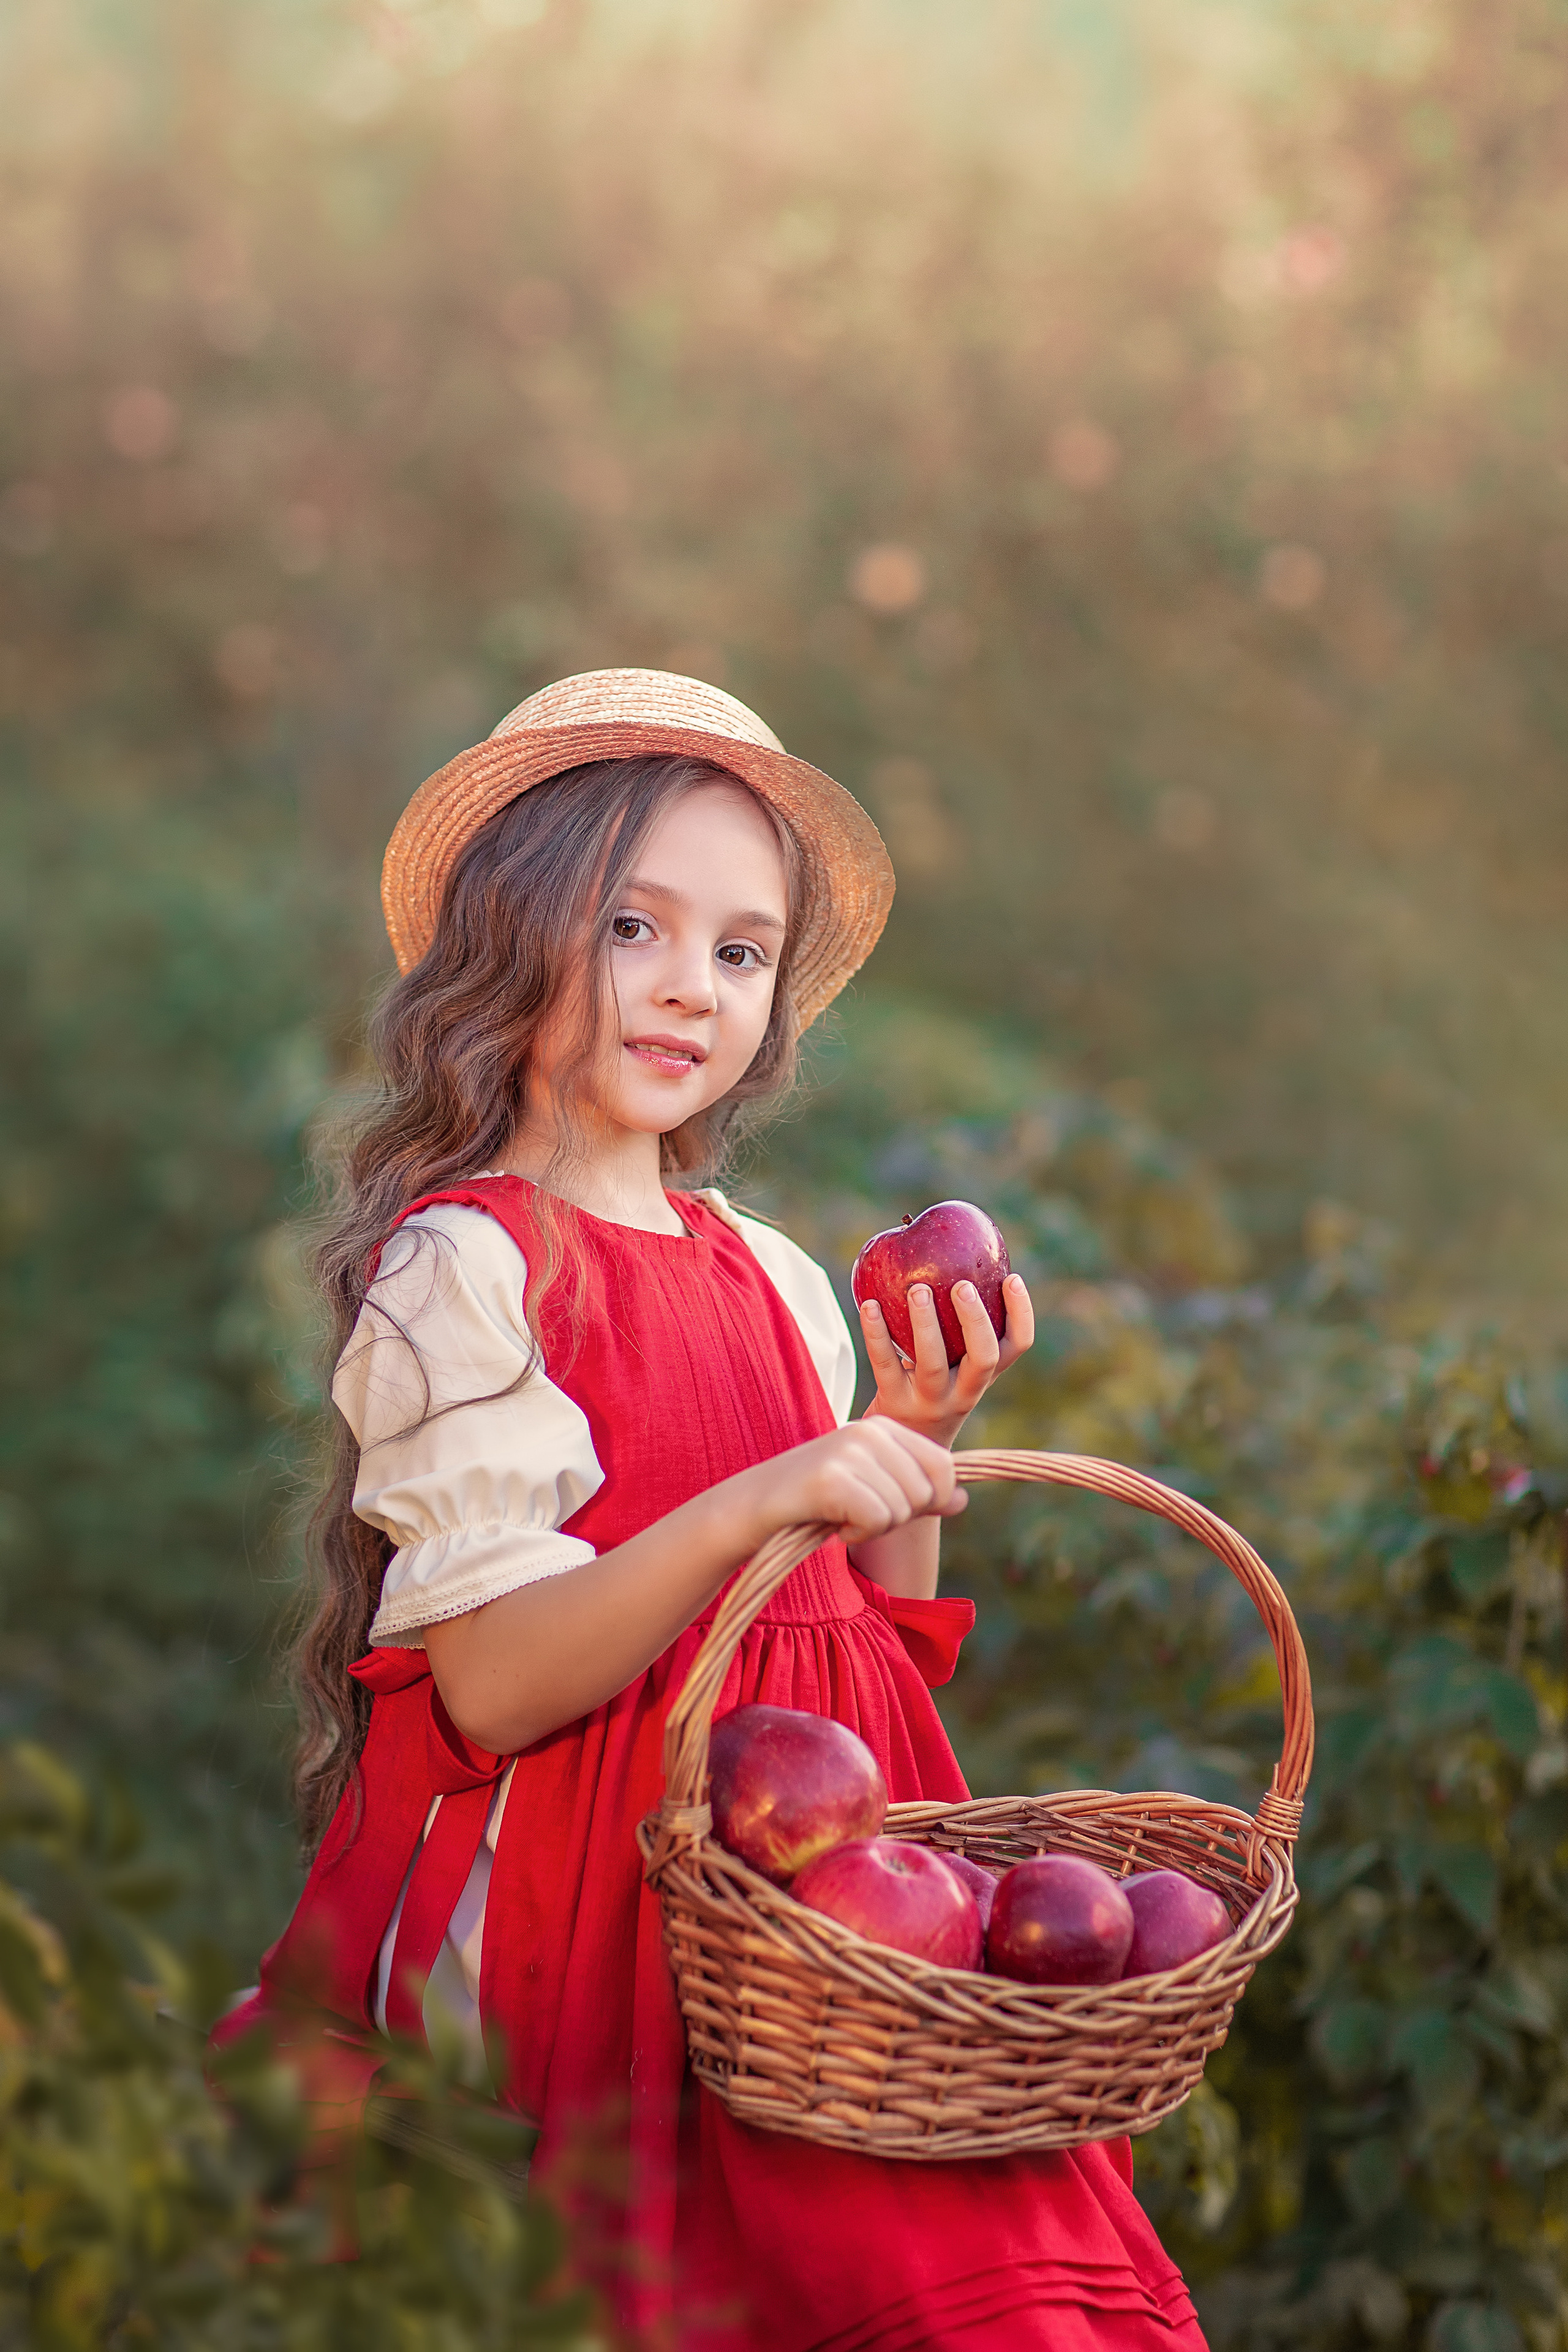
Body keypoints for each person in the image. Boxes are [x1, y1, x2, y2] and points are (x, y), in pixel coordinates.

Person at [219, 668, 1208, 2349]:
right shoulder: (467, 1264)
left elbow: (866, 1656)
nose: (693, 989)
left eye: (741, 953)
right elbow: (494, 1685)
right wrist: (771, 1492)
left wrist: (907, 1440)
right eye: (636, 929)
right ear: (517, 935)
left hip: (820, 1924)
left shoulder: (778, 1273)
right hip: (607, 1921)